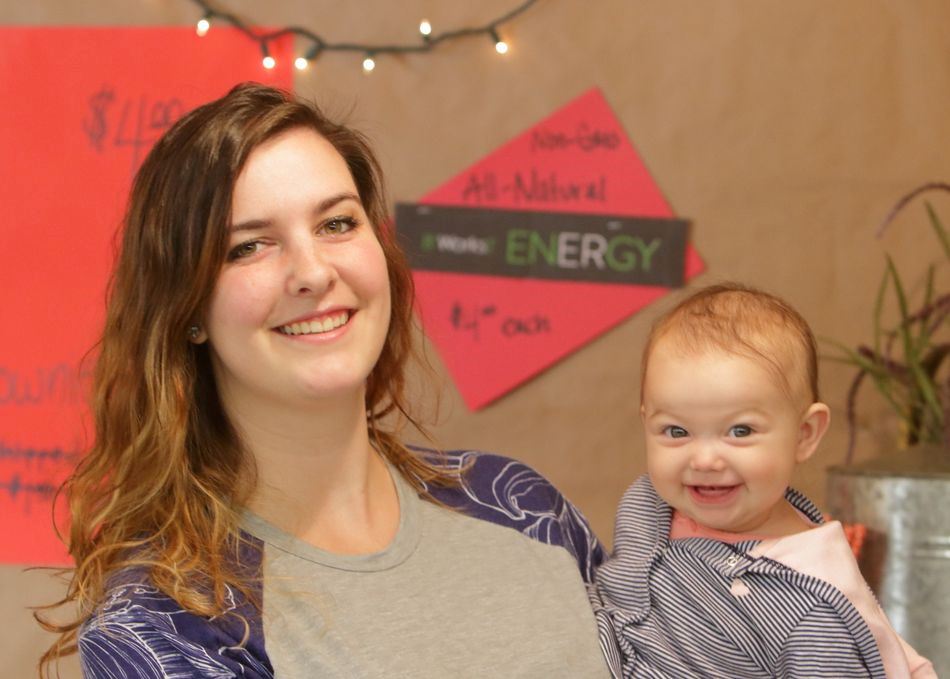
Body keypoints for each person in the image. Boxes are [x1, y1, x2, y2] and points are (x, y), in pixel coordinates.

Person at [38, 83, 611, 678]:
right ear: (188, 310)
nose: (312, 272)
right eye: (250, 246)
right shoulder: (167, 626)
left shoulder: (521, 507)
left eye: (337, 223)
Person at [589, 283, 936, 678]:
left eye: (740, 431)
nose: (703, 460)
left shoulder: (809, 612)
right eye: (675, 431)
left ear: (804, 435)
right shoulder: (647, 504)